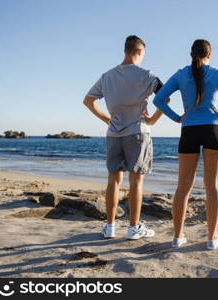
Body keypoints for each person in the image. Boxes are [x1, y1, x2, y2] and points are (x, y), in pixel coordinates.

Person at [153, 39, 218, 250]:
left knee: (183, 187)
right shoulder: (217, 74)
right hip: (212, 130)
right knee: (212, 186)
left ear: (191, 54)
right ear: (210, 55)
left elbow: (158, 100)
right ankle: (212, 239)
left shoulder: (180, 75)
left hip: (188, 130)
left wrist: (177, 117)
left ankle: (177, 238)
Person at [83, 35, 169, 240]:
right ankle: (133, 228)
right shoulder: (146, 75)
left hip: (113, 133)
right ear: (140, 52)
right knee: (136, 180)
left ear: (125, 50)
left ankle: (110, 226)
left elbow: (88, 101)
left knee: (113, 179)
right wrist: (154, 119)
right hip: (138, 132)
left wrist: (106, 119)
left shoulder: (107, 76)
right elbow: (165, 96)